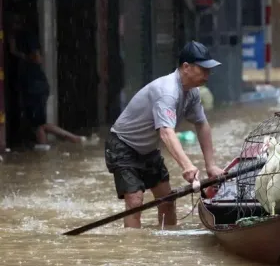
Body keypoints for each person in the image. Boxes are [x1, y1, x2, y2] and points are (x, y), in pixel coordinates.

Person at [105, 41, 225, 228]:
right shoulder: (167, 92)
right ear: (186, 67)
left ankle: (166, 244)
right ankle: (133, 251)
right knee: (135, 202)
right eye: (203, 69)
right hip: (122, 145)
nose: (207, 75)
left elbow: (202, 125)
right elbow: (167, 133)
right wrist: (187, 166)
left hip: (148, 150)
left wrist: (211, 165)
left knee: (167, 200)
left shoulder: (192, 93)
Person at [8, 14, 98, 151]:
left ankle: (70, 141)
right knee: (37, 124)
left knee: (39, 124)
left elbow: (37, 58)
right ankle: (67, 142)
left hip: (35, 86)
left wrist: (17, 53)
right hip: (32, 86)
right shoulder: (22, 37)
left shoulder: (25, 36)